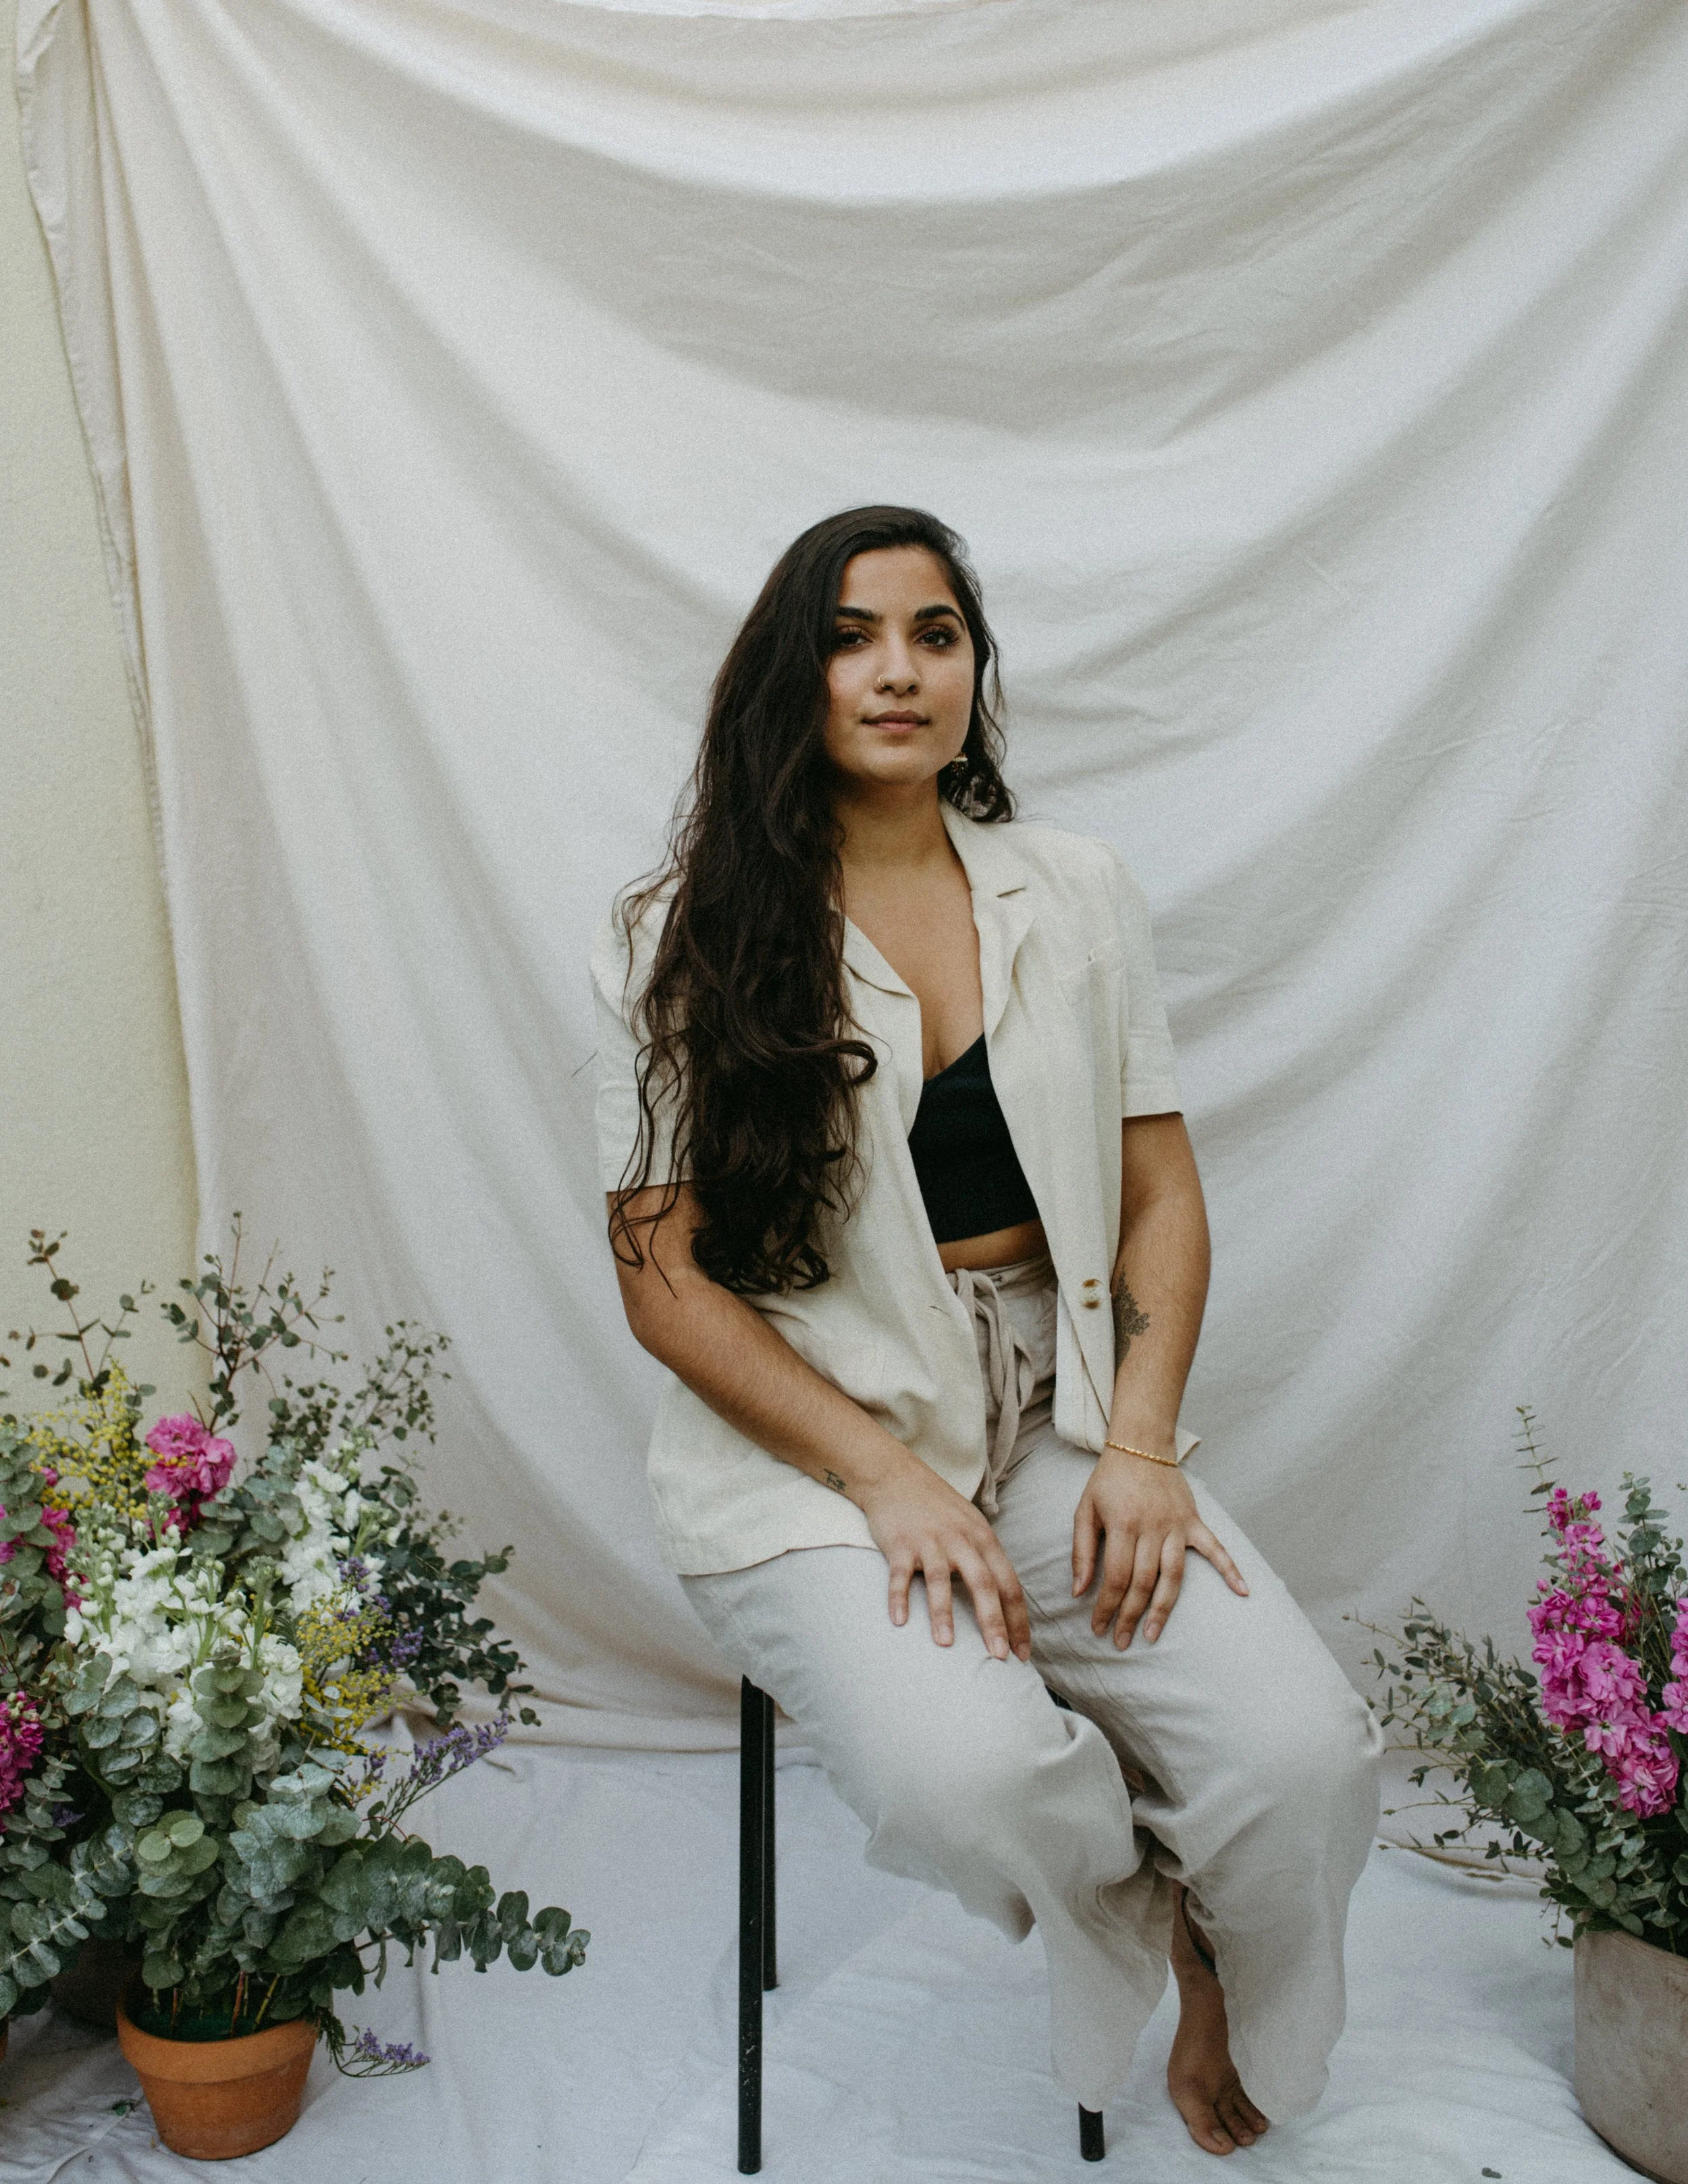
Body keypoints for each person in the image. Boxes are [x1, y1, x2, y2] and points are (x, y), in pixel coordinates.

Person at [593, 506, 1381, 2155]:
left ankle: (1227, 1932)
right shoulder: (685, 927)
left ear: (974, 673)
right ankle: (1168, 1920)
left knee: (1299, 1758)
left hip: (1057, 1405)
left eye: (935, 635)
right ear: (785, 674)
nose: (897, 670)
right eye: (852, 633)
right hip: (814, 1440)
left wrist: (1144, 1443)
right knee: (970, 1783)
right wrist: (885, 1478)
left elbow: (1159, 1191)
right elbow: (662, 1278)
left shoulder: (1077, 893)